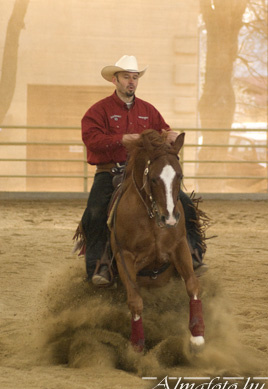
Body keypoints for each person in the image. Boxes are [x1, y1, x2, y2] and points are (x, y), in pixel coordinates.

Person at [76, 55, 207, 286]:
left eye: (134, 77)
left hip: (144, 172)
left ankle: (193, 254)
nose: (131, 82)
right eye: (126, 77)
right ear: (115, 80)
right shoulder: (98, 111)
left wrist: (170, 133)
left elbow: (163, 130)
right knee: (95, 212)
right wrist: (121, 139)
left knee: (183, 202)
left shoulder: (148, 110)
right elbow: (91, 139)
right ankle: (100, 266)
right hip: (111, 172)